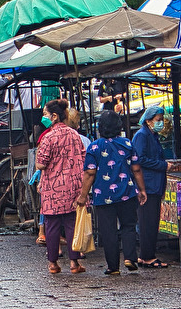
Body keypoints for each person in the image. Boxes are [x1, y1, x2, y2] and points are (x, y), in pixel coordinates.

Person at [77, 110, 148, 276]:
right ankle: (130, 257)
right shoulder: (127, 144)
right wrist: (142, 189)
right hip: (127, 193)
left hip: (102, 196)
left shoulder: (94, 147)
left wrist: (83, 194)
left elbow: (89, 173)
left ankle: (113, 267)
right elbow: (136, 169)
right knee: (128, 226)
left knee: (108, 231)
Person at [35, 98, 87, 274]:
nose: (44, 118)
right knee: (72, 224)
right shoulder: (75, 135)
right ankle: (74, 263)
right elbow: (84, 158)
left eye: (46, 115)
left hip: (52, 188)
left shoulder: (48, 138)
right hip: (73, 187)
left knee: (52, 225)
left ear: (55, 116)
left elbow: (41, 164)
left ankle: (53, 264)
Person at [131, 105, 171, 268]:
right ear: (148, 121)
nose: (161, 123)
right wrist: (162, 165)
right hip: (147, 184)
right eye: (158, 120)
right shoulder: (142, 136)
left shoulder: (152, 135)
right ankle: (148, 256)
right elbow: (140, 159)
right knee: (148, 221)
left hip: (154, 184)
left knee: (151, 220)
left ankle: (145, 255)